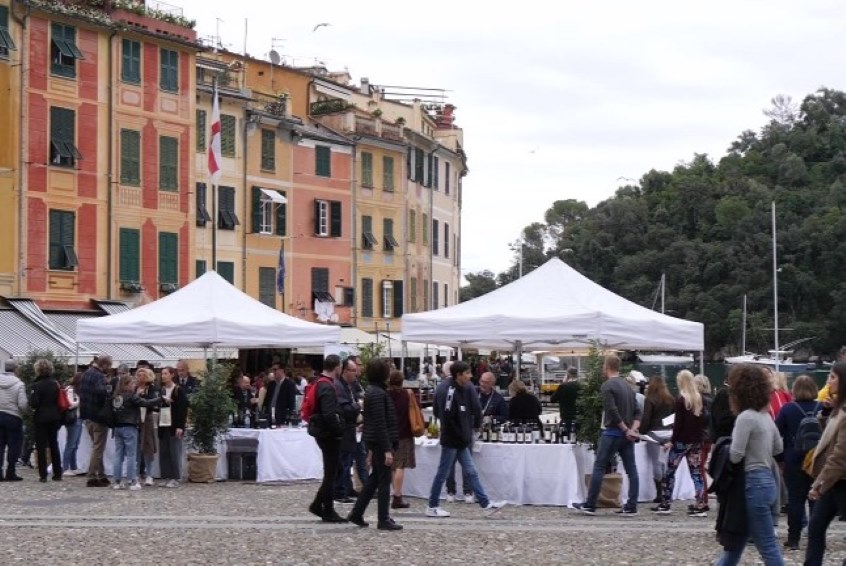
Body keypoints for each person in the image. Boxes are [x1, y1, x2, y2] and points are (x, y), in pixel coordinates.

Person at [714, 364, 784, 566]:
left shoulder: (745, 418)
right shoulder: (766, 417)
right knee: (736, 542)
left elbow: (736, 456)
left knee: (767, 545)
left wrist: (724, 449)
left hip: (752, 482)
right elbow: (778, 448)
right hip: (768, 480)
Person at [426, 361, 506, 518]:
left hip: (460, 439)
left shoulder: (461, 387)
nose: (470, 376)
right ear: (459, 375)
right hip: (452, 439)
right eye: (467, 373)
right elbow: (446, 416)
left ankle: (485, 504)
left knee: (471, 471)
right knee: (443, 473)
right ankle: (432, 506)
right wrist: (461, 433)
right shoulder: (449, 390)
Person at [573, 354, 641, 516]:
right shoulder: (628, 387)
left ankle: (590, 504)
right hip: (627, 435)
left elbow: (612, 410)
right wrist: (632, 430)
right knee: (631, 469)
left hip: (612, 432)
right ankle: (632, 505)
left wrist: (624, 429)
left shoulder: (607, 386)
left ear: (607, 367)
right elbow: (638, 412)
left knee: (599, 466)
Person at [348, 359, 403, 530]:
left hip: (375, 440)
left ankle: (357, 513)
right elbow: (380, 423)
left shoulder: (373, 391)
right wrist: (387, 449)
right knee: (384, 480)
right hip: (380, 442)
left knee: (374, 479)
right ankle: (383, 518)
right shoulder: (378, 393)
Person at [804, 362, 846, 566]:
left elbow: (840, 455)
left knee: (817, 526)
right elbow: (828, 439)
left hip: (840, 480)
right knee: (816, 526)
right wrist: (827, 413)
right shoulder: (839, 408)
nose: (828, 381)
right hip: (833, 481)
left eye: (832, 377)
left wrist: (819, 484)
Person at [652, 370, 707, 516]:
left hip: (682, 441)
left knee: (670, 472)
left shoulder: (681, 400)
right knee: (696, 473)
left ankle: (666, 502)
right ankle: (700, 503)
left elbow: (678, 424)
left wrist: (672, 441)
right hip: (696, 441)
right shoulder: (698, 399)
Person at [774, 374, 819, 550]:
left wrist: (780, 458)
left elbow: (776, 433)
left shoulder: (787, 409)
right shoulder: (821, 407)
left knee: (795, 500)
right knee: (816, 500)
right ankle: (816, 537)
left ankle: (793, 539)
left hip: (793, 458)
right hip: (816, 458)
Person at [307, 355, 348, 523]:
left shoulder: (320, 382)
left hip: (324, 432)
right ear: (337, 367)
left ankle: (318, 504)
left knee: (335, 470)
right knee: (332, 472)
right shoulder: (326, 386)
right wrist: (339, 431)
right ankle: (327, 509)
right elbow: (329, 414)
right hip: (328, 434)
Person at [111, 370, 158, 490]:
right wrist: (160, 399)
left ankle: (117, 481)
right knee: (131, 455)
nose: (134, 386)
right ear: (126, 385)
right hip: (129, 426)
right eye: (132, 384)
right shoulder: (131, 396)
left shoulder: (116, 397)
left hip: (117, 427)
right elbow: (146, 403)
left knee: (118, 455)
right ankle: (132, 481)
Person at [444, 360, 481, 503]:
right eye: (467, 373)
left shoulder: (443, 386)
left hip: (449, 429)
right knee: (467, 462)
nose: (469, 376)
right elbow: (477, 408)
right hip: (465, 428)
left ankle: (450, 491)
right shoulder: (469, 386)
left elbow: (437, 408)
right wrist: (476, 425)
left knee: (450, 462)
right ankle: (468, 492)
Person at [79, 355, 113, 487]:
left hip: (87, 415)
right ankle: (92, 476)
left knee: (96, 447)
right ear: (104, 364)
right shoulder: (99, 376)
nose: (109, 369)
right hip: (98, 416)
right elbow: (101, 393)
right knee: (98, 448)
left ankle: (102, 475)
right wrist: (108, 388)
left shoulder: (85, 374)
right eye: (109, 366)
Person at [640, 375, 674, 503]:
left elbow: (646, 418)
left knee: (656, 462)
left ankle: (659, 493)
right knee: (666, 463)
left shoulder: (650, 399)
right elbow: (674, 417)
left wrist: (641, 432)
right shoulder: (670, 399)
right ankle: (667, 491)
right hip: (668, 432)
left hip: (654, 433)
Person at [29, 358, 63, 482]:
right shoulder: (55, 383)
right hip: (54, 416)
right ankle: (57, 473)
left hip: (41, 417)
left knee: (41, 446)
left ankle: (43, 474)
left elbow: (34, 403)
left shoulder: (36, 385)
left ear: (37, 370)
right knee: (54, 444)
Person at [334, 357, 362, 503]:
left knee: (348, 461)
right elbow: (345, 408)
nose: (355, 373)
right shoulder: (339, 386)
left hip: (351, 428)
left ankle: (347, 487)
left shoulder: (350, 385)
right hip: (344, 428)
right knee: (344, 461)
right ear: (345, 371)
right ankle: (340, 491)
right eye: (352, 370)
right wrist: (358, 406)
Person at [387, 369, 415, 509]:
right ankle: (397, 496)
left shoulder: (386, 395)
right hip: (404, 433)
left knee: (393, 466)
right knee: (400, 466)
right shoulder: (407, 394)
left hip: (389, 434)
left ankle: (395, 493)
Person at [157, 366, 188, 488]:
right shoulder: (161, 390)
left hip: (174, 424)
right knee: (164, 451)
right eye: (162, 374)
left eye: (165, 373)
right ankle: (166, 476)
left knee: (174, 451)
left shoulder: (178, 390)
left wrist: (180, 426)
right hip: (163, 423)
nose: (163, 376)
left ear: (172, 375)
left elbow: (182, 409)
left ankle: (176, 477)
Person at [0, 360, 27, 481]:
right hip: (13, 417)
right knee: (13, 446)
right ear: (16, 369)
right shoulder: (19, 384)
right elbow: (22, 404)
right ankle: (10, 472)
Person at [136, 367, 159, 486]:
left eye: (143, 375)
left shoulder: (152, 388)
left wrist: (142, 398)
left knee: (148, 447)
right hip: (135, 420)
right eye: (138, 375)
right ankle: (136, 474)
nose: (140, 378)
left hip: (147, 419)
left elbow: (154, 403)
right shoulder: (134, 388)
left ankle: (149, 474)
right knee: (135, 448)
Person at [694, 373, 714, 510]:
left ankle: (703, 499)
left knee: (699, 469)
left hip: (701, 437)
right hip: (709, 437)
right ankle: (703, 498)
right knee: (701, 467)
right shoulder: (712, 400)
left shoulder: (699, 400)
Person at [62, 372, 84, 476]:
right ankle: (65, 467)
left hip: (78, 418)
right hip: (73, 419)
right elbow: (70, 404)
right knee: (70, 444)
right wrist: (80, 401)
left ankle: (73, 466)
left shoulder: (77, 391)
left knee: (75, 444)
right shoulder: (70, 390)